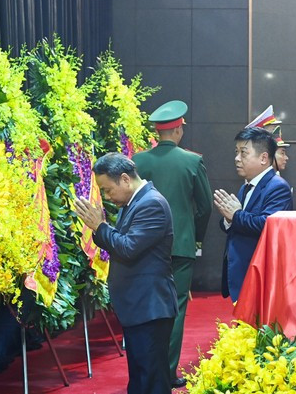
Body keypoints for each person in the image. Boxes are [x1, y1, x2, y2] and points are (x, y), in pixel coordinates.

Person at [73, 153, 177, 394]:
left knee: (152, 381)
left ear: (125, 179)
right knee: (141, 379)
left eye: (108, 190)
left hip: (150, 307)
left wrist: (100, 226)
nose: (108, 197)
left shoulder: (151, 203)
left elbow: (128, 247)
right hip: (139, 307)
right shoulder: (133, 201)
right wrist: (102, 229)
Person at [132, 99, 211, 389]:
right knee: (174, 309)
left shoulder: (137, 162)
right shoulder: (192, 161)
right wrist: (195, 238)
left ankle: (144, 370)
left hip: (142, 249)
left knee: (145, 308)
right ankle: (166, 372)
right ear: (178, 130)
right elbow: (204, 207)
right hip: (180, 247)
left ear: (158, 131)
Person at [213, 127, 292, 302]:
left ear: (263, 158)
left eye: (243, 153)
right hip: (243, 270)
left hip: (261, 273)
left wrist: (235, 215)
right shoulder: (246, 186)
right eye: (236, 152)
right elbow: (238, 221)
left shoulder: (278, 187)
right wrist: (228, 219)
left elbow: (267, 225)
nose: (237, 158)